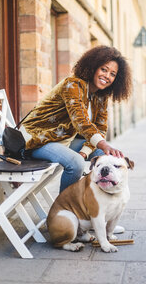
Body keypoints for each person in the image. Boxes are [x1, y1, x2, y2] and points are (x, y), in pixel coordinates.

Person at [23, 45, 132, 194]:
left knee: (104, 156)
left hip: (63, 140)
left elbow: (100, 129)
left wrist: (85, 152)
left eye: (113, 74)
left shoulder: (101, 96)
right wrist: (102, 144)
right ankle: (65, 208)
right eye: (104, 69)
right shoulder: (73, 84)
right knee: (76, 163)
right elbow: (79, 120)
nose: (107, 76)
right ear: (93, 67)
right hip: (37, 140)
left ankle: (96, 204)